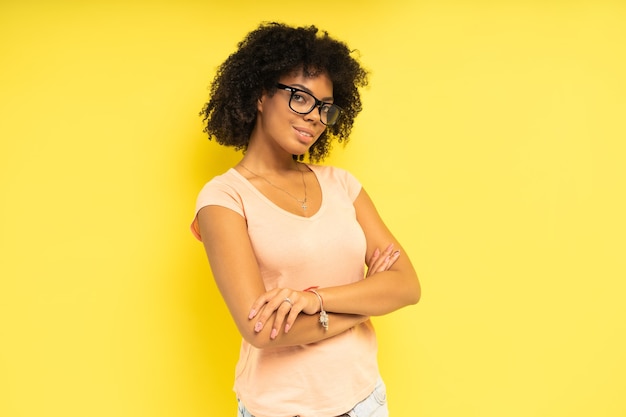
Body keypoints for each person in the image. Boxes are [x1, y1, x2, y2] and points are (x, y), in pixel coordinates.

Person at [191, 22, 420, 417]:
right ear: (261, 94)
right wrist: (369, 299)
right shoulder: (224, 198)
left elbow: (407, 285)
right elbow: (261, 331)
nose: (314, 116)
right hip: (280, 409)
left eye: (324, 106)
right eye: (300, 97)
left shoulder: (342, 185)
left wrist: (314, 300)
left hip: (364, 399)